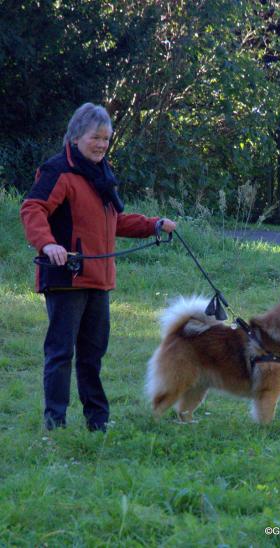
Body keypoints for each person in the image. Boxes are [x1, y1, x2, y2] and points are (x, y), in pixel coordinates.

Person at [20, 102, 176, 432]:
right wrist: (47, 243)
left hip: (99, 280)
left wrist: (154, 224)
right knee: (61, 353)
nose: (102, 144)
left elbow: (114, 220)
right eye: (96, 137)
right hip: (66, 277)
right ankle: (55, 424)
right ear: (77, 136)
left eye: (106, 138)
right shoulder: (59, 171)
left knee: (93, 356)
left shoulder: (101, 175)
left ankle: (97, 422)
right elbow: (33, 208)